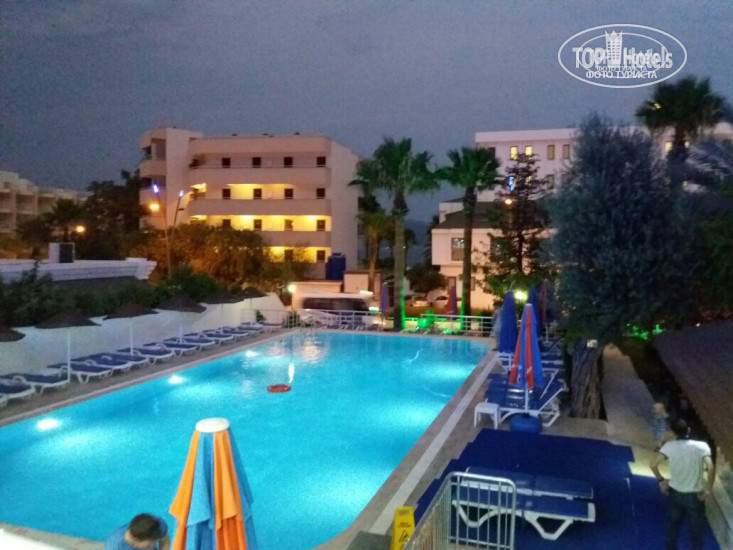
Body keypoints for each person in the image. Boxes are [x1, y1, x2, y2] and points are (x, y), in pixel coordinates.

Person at [649, 419, 715, 550]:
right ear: (688, 430)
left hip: (675, 494)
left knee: (672, 527)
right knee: (696, 531)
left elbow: (653, 464)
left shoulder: (669, 446)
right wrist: (708, 489)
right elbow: (711, 468)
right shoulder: (702, 446)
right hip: (695, 496)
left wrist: (661, 480)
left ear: (673, 433)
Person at [104, 513, 170, 550]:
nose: (154, 544)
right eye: (150, 544)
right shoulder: (114, 546)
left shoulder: (156, 524)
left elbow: (164, 540)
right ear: (135, 542)